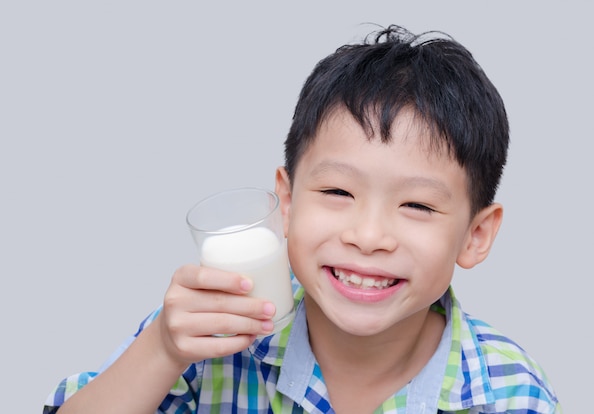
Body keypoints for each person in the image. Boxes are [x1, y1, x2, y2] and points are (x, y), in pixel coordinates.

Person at [44, 24, 561, 413]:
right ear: (286, 205)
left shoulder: (511, 393)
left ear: (475, 235)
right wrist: (159, 350)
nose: (368, 236)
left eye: (417, 206)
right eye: (338, 191)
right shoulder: (208, 341)